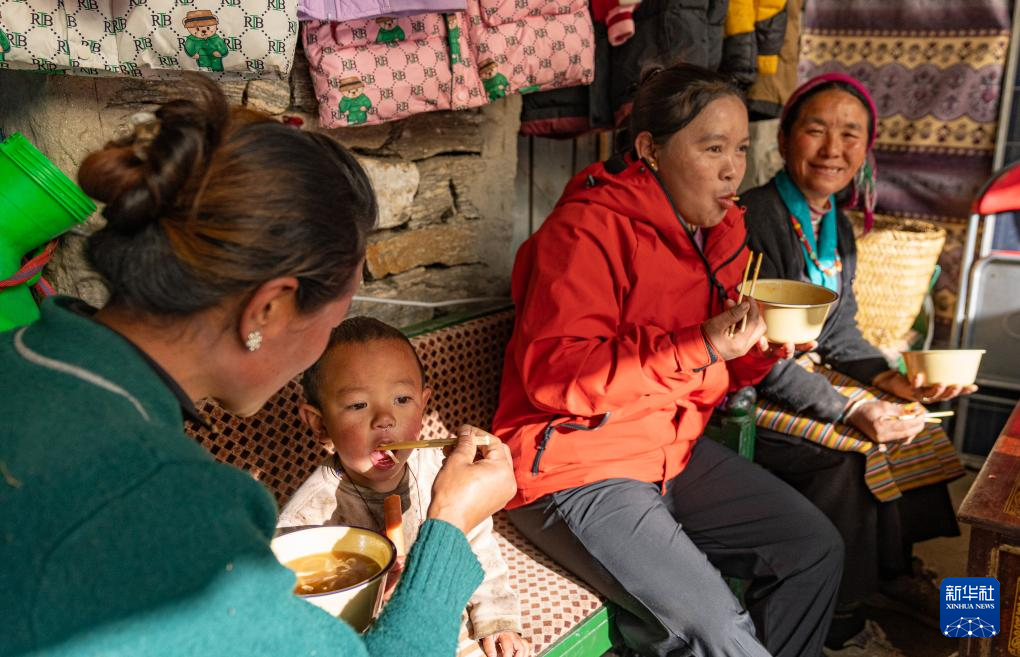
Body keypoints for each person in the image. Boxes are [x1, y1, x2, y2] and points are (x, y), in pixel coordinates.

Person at [0, 76, 517, 657]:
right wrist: (449, 521)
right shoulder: (164, 505)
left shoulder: (24, 357)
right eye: (335, 317)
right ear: (267, 309)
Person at [492, 62, 844, 657]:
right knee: (718, 631)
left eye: (740, 148)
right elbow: (556, 376)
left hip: (669, 446)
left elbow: (716, 372)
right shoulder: (586, 231)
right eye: (712, 148)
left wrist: (758, 352)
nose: (733, 169)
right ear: (650, 149)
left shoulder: (722, 235)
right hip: (577, 463)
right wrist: (702, 343)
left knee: (813, 549)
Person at [740, 72, 971, 653]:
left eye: (850, 135)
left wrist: (896, 382)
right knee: (850, 455)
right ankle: (839, 617)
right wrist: (850, 409)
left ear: (866, 150)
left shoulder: (836, 226)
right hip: (748, 384)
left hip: (803, 374)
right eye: (816, 130)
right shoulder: (754, 217)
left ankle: (893, 572)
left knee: (913, 425)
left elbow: (840, 333)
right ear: (785, 138)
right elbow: (755, 352)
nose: (832, 149)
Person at [277, 317, 530, 657]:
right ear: (321, 424)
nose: (385, 418)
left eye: (401, 399)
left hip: (450, 624)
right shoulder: (306, 522)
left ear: (423, 406)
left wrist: (497, 618)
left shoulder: (442, 474)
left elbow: (476, 544)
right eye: (358, 405)